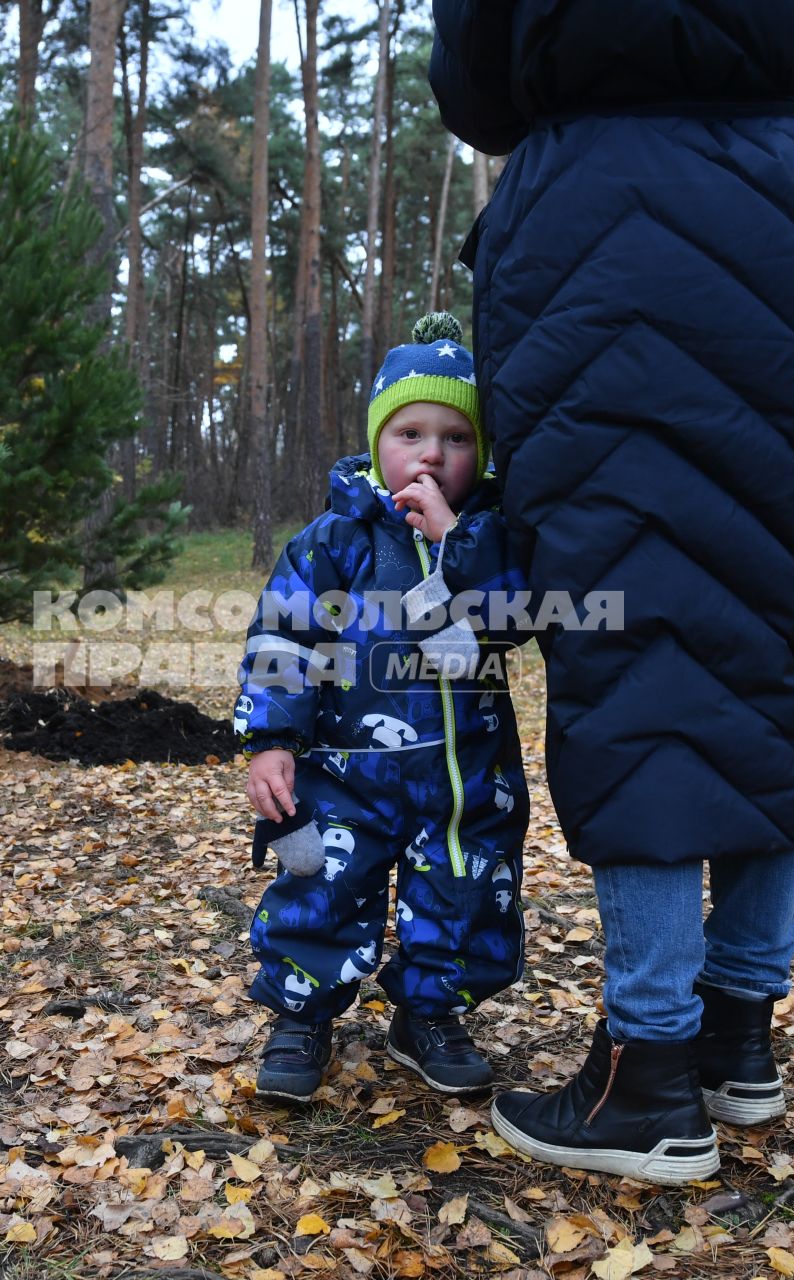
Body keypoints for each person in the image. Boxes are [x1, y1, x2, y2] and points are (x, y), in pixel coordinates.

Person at [427, 0, 794, 1183]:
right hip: (774, 233)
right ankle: (738, 1038)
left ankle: (650, 1074)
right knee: (770, 651)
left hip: (587, 236)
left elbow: (474, 85)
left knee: (629, 662)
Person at [234, 313, 531, 1102]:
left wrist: (460, 545)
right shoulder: (334, 541)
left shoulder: (494, 537)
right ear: (377, 442)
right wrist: (270, 738)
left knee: (465, 893)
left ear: (483, 453)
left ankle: (429, 1015)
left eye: (456, 438)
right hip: (344, 769)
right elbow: (284, 635)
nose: (431, 453)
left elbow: (515, 625)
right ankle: (302, 1015)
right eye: (409, 432)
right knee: (321, 888)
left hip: (466, 773)